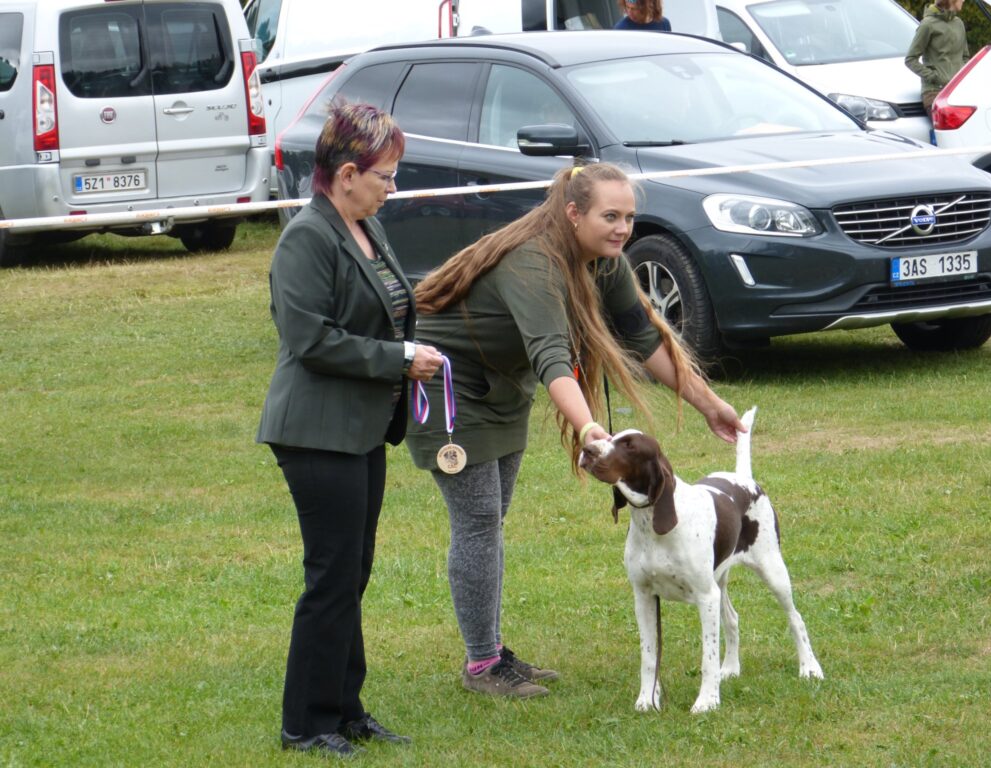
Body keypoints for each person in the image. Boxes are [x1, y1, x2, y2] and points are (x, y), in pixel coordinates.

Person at [406, 162, 745, 699]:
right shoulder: (534, 263)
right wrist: (588, 425)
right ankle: (483, 665)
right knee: (478, 522)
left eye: (629, 217)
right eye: (610, 216)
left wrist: (708, 404)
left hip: (501, 390)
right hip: (448, 390)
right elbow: (551, 358)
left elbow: (642, 335)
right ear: (572, 213)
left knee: (492, 520)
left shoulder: (602, 261)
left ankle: (491, 652)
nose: (623, 228)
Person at [256, 101, 443, 757]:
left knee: (354, 570)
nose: (393, 187)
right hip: (314, 430)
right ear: (345, 173)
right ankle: (305, 724)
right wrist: (397, 359)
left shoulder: (366, 225)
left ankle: (346, 709)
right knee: (332, 574)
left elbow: (392, 307)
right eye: (385, 175)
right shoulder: (307, 237)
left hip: (363, 427)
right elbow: (311, 341)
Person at [905, 0, 969, 113]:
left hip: (957, 91)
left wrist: (959, 76)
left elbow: (965, 57)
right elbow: (910, 59)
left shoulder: (959, 23)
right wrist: (934, 77)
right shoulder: (927, 25)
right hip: (934, 93)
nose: (963, 0)